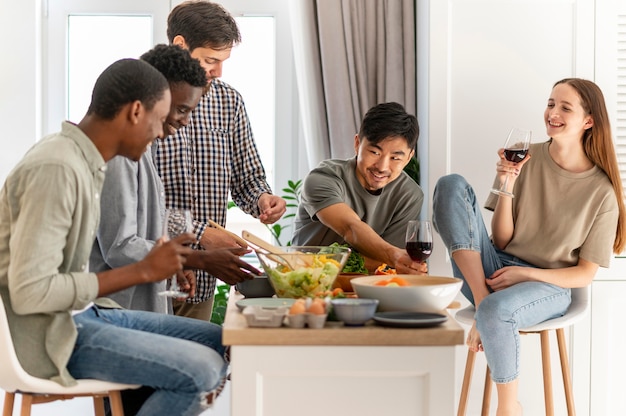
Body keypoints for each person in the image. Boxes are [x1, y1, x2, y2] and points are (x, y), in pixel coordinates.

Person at [0, 58, 230, 416]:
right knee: (200, 369)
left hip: (84, 314)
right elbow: (31, 293)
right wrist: (143, 271)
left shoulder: (85, 162)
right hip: (51, 334)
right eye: (161, 118)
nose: (163, 132)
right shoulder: (58, 168)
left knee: (221, 341)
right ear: (136, 111)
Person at [432, 78, 626, 416]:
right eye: (551, 104)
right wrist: (508, 183)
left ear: (588, 121)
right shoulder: (524, 154)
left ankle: (508, 409)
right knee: (451, 185)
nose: (553, 113)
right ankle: (482, 301)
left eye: (566, 107)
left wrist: (525, 272)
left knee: (496, 312)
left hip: (547, 285)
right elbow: (503, 240)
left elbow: (584, 275)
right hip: (491, 272)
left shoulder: (602, 192)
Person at [91, 44, 260, 315]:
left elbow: (147, 225)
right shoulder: (122, 153)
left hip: (143, 304)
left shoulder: (145, 148)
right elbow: (120, 247)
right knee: (218, 347)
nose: (184, 121)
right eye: (181, 109)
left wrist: (177, 267)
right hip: (119, 310)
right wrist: (198, 259)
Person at [155, 0, 286, 321]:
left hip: (202, 281)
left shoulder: (229, 101)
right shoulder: (144, 97)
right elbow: (135, 205)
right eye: (210, 60)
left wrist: (263, 199)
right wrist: (201, 233)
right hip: (147, 277)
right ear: (180, 45)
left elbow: (247, 178)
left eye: (223, 61)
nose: (218, 71)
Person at [292, 102, 427, 274]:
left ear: (409, 157)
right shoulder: (323, 178)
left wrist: (392, 259)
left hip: (368, 288)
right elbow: (350, 227)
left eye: (395, 157)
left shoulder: (409, 195)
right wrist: (393, 257)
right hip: (305, 282)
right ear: (357, 144)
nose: (382, 167)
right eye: (375, 152)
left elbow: (385, 261)